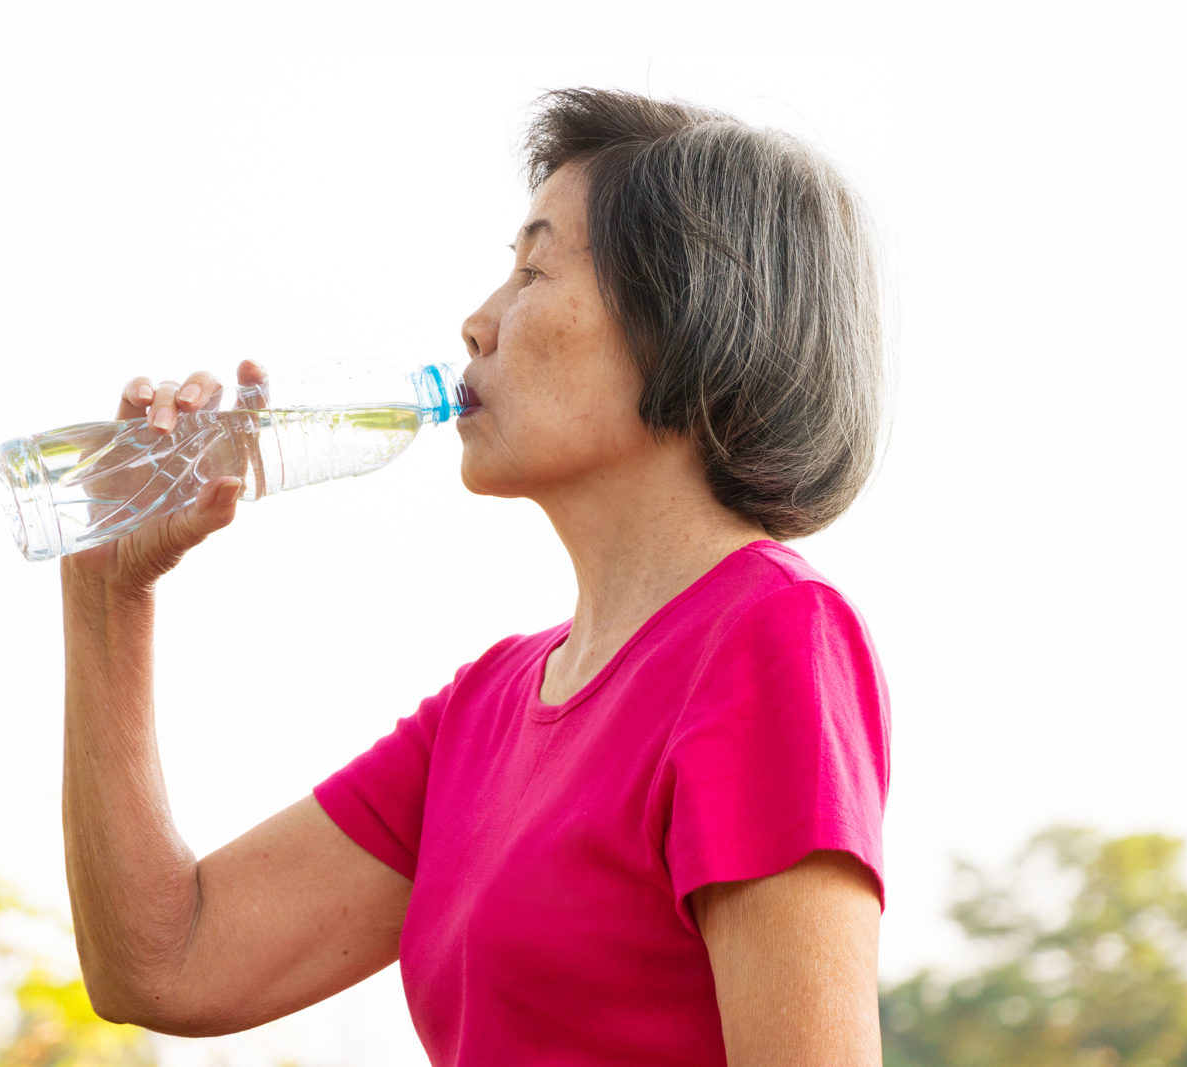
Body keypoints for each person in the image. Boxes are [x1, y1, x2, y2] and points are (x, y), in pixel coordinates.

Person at [59, 87, 891, 1065]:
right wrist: (107, 595)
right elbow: (165, 961)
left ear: (689, 314)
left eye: (534, 269)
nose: (475, 321)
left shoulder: (769, 634)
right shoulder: (486, 707)